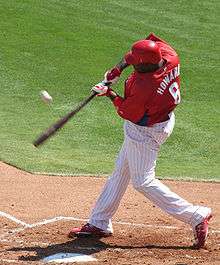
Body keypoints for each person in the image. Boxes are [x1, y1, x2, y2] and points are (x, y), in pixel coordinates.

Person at [68, 33, 212, 249]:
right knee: (121, 171)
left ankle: (196, 216)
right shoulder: (169, 55)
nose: (131, 63)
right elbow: (135, 54)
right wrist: (116, 70)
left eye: (136, 63)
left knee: (143, 181)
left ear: (145, 66)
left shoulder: (146, 87)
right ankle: (99, 222)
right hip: (162, 119)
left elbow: (128, 112)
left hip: (145, 130)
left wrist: (108, 92)